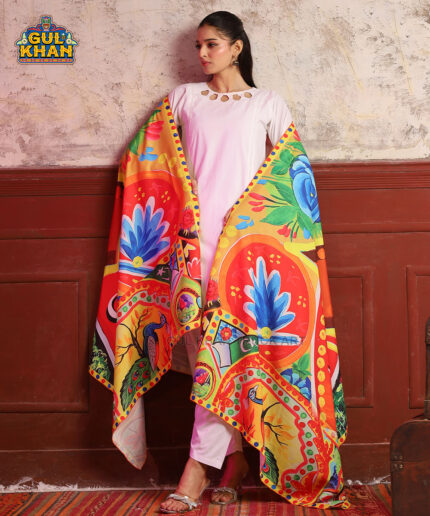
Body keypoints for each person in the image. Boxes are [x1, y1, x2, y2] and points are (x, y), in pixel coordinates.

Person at [160, 11, 299, 514]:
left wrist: (269, 236)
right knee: (206, 355)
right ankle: (234, 461)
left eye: (212, 45)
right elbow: (152, 163)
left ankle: (197, 469)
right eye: (198, 45)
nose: (202, 54)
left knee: (227, 356)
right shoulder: (183, 99)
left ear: (237, 47)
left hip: (245, 248)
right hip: (191, 245)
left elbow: (293, 175)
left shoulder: (267, 103)